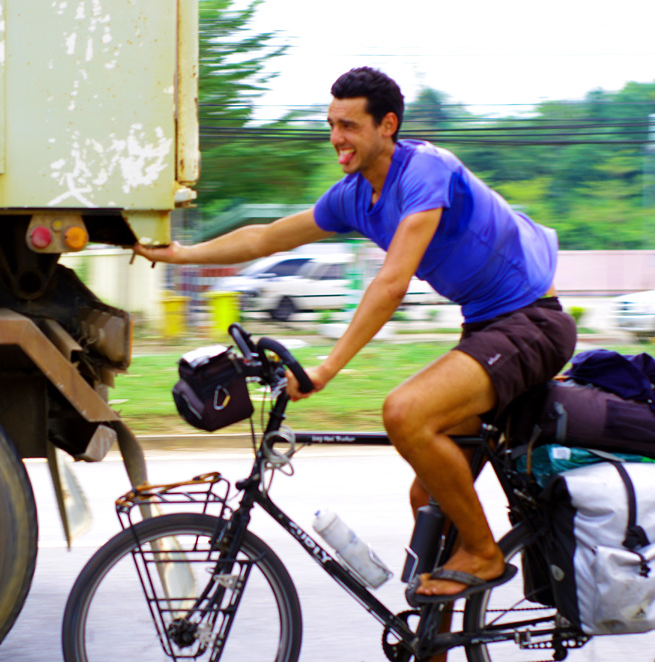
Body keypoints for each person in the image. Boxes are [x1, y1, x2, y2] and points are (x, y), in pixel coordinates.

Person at [134, 67, 576, 605]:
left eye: (349, 125)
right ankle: (434, 635)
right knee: (430, 497)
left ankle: (484, 553)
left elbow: (391, 283)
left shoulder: (425, 172)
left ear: (387, 125)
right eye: (331, 124)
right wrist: (180, 254)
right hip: (486, 327)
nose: (336, 138)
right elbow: (267, 238)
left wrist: (325, 369)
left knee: (405, 413)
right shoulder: (355, 196)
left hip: (532, 322)